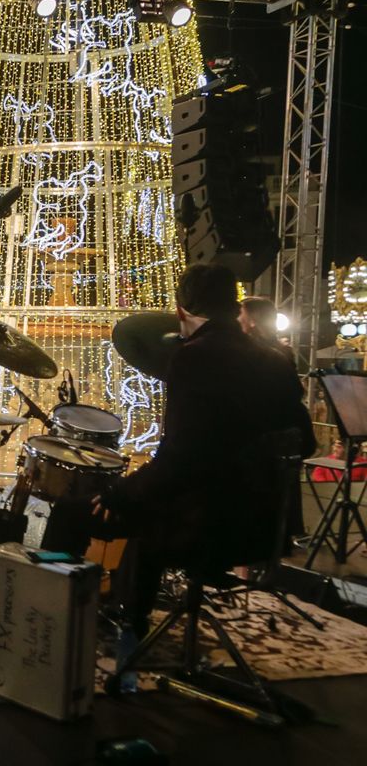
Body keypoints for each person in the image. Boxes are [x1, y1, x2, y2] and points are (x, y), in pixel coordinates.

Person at [91, 264, 316, 640]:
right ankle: (126, 614)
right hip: (264, 525)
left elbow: (180, 460)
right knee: (141, 502)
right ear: (236, 308)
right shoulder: (275, 360)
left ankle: (122, 625)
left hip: (207, 523)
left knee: (92, 510)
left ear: (181, 311)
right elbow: (305, 442)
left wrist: (121, 492)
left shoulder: (194, 356)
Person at [239, 296, 294, 363]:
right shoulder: (283, 352)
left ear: (253, 321)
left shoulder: (246, 352)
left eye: (240, 313)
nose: (237, 318)